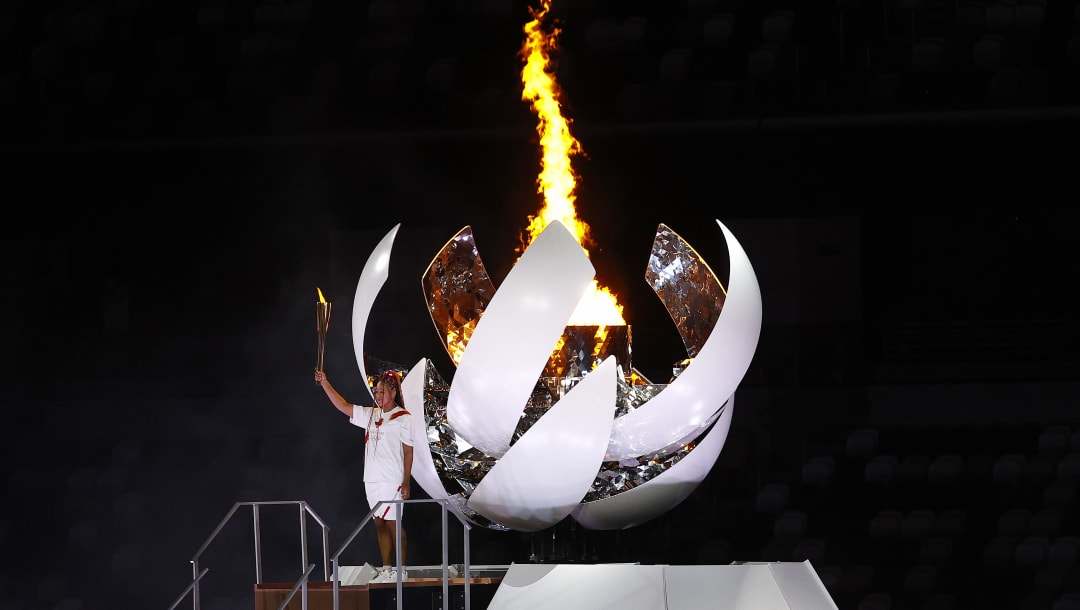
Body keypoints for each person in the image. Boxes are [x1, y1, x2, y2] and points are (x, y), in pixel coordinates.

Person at [315, 367, 414, 583]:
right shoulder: (371, 415)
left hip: (392, 479)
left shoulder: (403, 418)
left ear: (393, 392)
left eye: (382, 392)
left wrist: (406, 481)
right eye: (376, 392)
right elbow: (343, 405)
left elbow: (408, 452)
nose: (378, 396)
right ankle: (387, 569)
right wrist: (325, 383)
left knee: (393, 523)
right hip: (371, 479)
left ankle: (402, 570)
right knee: (379, 523)